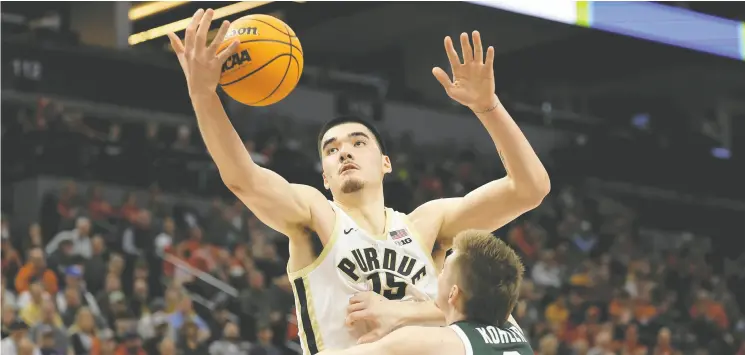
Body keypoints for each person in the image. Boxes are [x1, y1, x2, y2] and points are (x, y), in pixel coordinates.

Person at [167, 8, 549, 353]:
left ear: (385, 163)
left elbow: (529, 189)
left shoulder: (427, 225)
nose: (344, 152)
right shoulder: (317, 215)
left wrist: (488, 107)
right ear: (325, 177)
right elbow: (242, 179)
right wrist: (203, 95)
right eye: (331, 150)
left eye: (358, 142)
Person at [317, 230, 532, 355]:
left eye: (444, 270)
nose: (438, 275)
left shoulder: (435, 341)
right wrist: (397, 311)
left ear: (453, 293)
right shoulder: (510, 326)